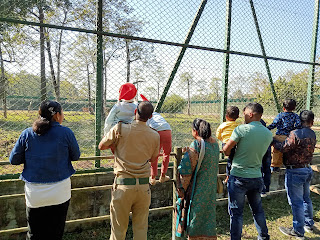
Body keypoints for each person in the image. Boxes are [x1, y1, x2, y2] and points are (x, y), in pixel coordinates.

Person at [9, 100, 80, 240]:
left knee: (34, 234)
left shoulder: (27, 133)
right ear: (57, 115)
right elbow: (76, 156)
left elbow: (14, 160)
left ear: (39, 114)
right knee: (55, 234)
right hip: (60, 192)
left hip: (34, 195)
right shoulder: (66, 132)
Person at [98, 101, 160, 240]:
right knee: (141, 229)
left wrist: (117, 144)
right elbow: (153, 158)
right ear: (150, 117)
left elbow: (101, 146)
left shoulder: (120, 128)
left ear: (135, 112)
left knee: (118, 231)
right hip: (144, 187)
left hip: (123, 186)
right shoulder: (155, 135)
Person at [223, 102, 272, 240]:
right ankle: (263, 236)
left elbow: (226, 151)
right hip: (256, 177)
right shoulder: (268, 133)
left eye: (244, 114)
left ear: (250, 114)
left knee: (236, 213)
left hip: (238, 177)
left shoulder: (241, 130)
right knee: (257, 210)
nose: (243, 116)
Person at [273, 110, 316, 240]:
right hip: (307, 169)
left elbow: (284, 147)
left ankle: (298, 231)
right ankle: (308, 224)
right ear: (312, 122)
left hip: (295, 171)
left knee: (296, 202)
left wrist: (273, 141)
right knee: (306, 199)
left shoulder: (295, 134)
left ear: (299, 120)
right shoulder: (312, 133)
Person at [175, 118, 219, 239]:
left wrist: (181, 190)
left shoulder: (197, 144)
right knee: (208, 217)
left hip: (197, 191)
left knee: (195, 217)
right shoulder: (215, 144)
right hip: (209, 190)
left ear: (195, 131)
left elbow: (186, 170)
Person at [140, 94, 172, 185]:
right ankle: (163, 175)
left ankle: (153, 177)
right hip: (167, 130)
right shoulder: (157, 114)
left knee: (155, 154)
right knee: (166, 154)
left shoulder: (146, 118)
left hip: (156, 131)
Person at [267, 99, 301, 172]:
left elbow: (274, 124)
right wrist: (292, 130)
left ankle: (274, 166)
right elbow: (298, 125)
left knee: (276, 151)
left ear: (284, 108)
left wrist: (266, 128)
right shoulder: (295, 116)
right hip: (289, 137)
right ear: (294, 108)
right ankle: (288, 165)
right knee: (288, 151)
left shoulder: (280, 115)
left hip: (279, 136)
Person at [216, 106, 240, 183]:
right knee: (232, 160)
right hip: (236, 144)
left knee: (230, 160)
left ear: (226, 116)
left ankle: (228, 176)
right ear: (238, 117)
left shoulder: (223, 125)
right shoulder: (238, 125)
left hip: (226, 144)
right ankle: (232, 175)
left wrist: (222, 139)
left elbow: (218, 134)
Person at [260, 119, 272, 197]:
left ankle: (262, 190)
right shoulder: (267, 134)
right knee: (267, 169)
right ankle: (267, 189)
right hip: (267, 150)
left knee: (260, 170)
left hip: (259, 151)